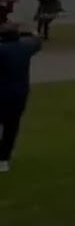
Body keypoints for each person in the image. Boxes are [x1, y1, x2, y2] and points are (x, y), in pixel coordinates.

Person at [0, 22, 41, 172]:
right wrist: (32, 33)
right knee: (11, 128)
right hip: (19, 95)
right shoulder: (25, 48)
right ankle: (3, 159)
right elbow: (37, 42)